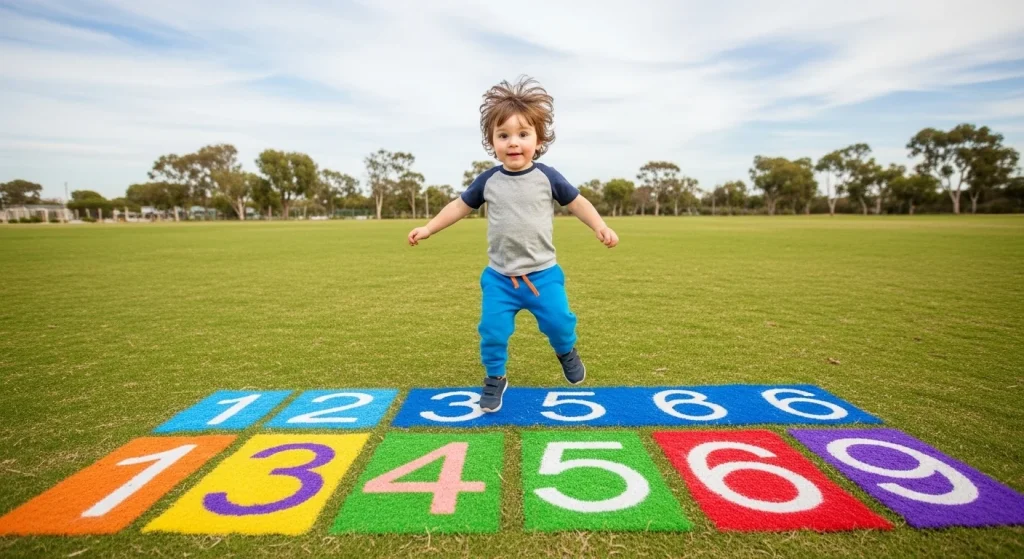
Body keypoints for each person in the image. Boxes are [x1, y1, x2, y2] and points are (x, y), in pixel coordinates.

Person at [407, 76, 618, 412]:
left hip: (543, 276)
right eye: (503, 135)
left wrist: (600, 225)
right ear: (492, 142)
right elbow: (459, 206)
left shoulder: (547, 176)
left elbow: (577, 202)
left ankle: (566, 350)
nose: (513, 143)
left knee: (560, 323)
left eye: (523, 134)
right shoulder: (488, 180)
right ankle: (495, 377)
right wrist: (429, 228)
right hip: (500, 279)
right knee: (492, 331)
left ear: (539, 139)